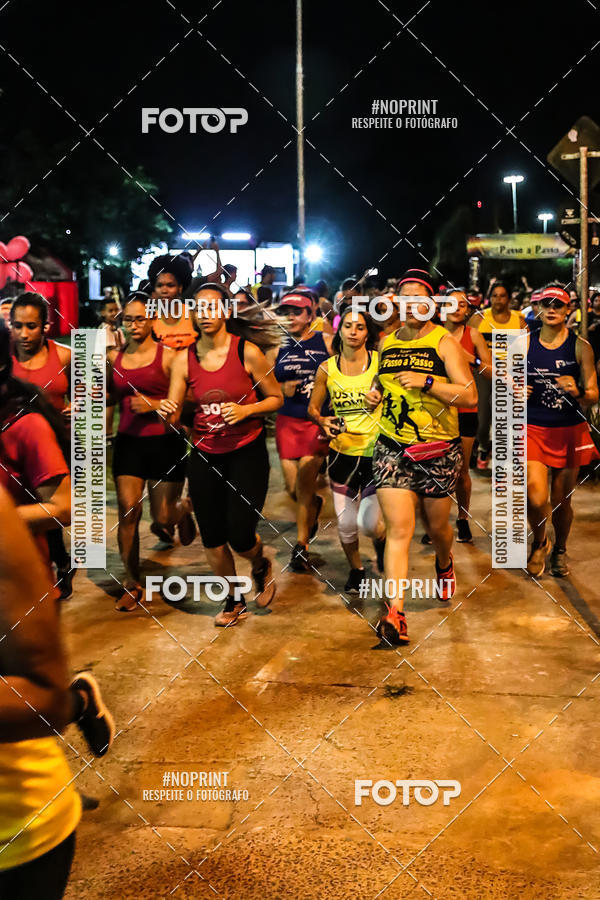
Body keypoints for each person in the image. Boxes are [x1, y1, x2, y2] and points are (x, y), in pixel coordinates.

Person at [0, 320, 114, 759]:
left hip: (22, 580)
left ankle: (78, 703)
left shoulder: (25, 425)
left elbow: (66, 508)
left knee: (29, 699)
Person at [365, 269, 477, 645]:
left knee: (437, 529)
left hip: (437, 450)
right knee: (399, 531)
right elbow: (380, 382)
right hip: (392, 447)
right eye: (404, 297)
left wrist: (428, 382)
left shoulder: (444, 342)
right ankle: (395, 612)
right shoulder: (385, 342)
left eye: (419, 298)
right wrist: (373, 394)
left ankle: (444, 563)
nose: (411, 304)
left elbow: (470, 397)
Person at [162, 284, 284, 627]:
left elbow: (275, 398)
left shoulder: (247, 352)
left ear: (226, 311)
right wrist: (168, 410)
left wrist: (246, 411)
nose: (206, 314)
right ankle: (233, 600)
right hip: (203, 453)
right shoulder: (182, 358)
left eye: (213, 307)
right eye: (200, 309)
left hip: (246, 450)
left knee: (240, 534)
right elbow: (173, 415)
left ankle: (259, 563)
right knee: (213, 535)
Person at [108, 294, 195, 611]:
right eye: (128, 319)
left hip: (165, 443)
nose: (133, 325)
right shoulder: (114, 359)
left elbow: (189, 400)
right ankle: (132, 582)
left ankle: (183, 510)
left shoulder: (171, 357)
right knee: (128, 509)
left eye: (140, 318)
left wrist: (154, 404)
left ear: (152, 320)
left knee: (162, 518)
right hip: (129, 442)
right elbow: (106, 398)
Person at [308, 306, 385, 592]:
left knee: (370, 524)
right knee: (346, 525)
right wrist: (322, 420)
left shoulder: (380, 363)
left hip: (377, 455)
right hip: (341, 454)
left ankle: (382, 542)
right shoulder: (327, 368)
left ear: (368, 333)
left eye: (360, 327)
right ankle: (357, 569)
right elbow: (313, 408)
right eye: (348, 326)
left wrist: (382, 399)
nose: (353, 331)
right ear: (339, 331)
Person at [526, 285, 599, 577]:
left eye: (559, 304)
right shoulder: (523, 344)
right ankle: (540, 542)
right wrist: (514, 388)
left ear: (568, 310)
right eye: (547, 303)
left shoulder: (581, 346)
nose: (552, 308)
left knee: (561, 501)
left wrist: (578, 388)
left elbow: (593, 394)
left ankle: (560, 549)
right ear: (538, 309)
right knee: (535, 497)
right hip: (532, 427)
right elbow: (504, 382)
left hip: (569, 429)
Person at [10, 292, 75, 600]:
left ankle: (59, 564)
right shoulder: (4, 359)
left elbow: (95, 393)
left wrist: (79, 407)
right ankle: (55, 566)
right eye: (18, 326)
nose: (24, 333)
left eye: (32, 326)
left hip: (56, 449)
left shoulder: (65, 356)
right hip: (15, 452)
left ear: (46, 327)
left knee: (51, 512)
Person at [274, 291, 333, 572]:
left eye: (297, 312)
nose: (291, 317)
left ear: (311, 316)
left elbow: (345, 372)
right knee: (293, 489)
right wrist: (279, 389)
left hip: (316, 422)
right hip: (287, 422)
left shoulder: (327, 342)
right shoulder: (276, 345)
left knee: (305, 482)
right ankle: (313, 507)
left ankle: (301, 547)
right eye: (286, 312)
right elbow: (261, 382)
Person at [442, 289, 492, 542]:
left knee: (461, 471)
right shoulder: (432, 334)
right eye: (452, 303)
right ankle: (436, 523)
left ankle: (462, 519)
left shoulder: (473, 335)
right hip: (435, 410)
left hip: (465, 409)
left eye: (463, 305)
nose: (458, 308)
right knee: (434, 471)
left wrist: (471, 359)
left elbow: (492, 372)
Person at [468, 281, 526, 471]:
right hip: (483, 373)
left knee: (507, 418)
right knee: (483, 418)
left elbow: (527, 349)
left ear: (509, 299)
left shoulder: (519, 321)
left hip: (508, 374)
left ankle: (505, 461)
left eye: (502, 295)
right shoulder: (479, 318)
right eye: (494, 295)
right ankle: (484, 446)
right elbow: (466, 343)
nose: (497, 299)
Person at [148, 254, 198, 350]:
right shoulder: (149, 319)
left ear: (180, 288)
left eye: (170, 285)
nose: (164, 290)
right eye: (159, 285)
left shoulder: (193, 315)